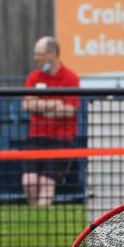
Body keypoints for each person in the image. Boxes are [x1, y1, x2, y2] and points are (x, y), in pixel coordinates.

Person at [22, 37, 80, 206]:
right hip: (36, 137)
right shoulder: (33, 77)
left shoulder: (71, 78)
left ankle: (42, 217)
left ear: (51, 55)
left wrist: (41, 108)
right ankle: (34, 217)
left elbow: (70, 110)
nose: (35, 58)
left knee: (47, 184)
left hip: (61, 139)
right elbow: (28, 104)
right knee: (29, 182)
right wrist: (55, 104)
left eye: (39, 54)